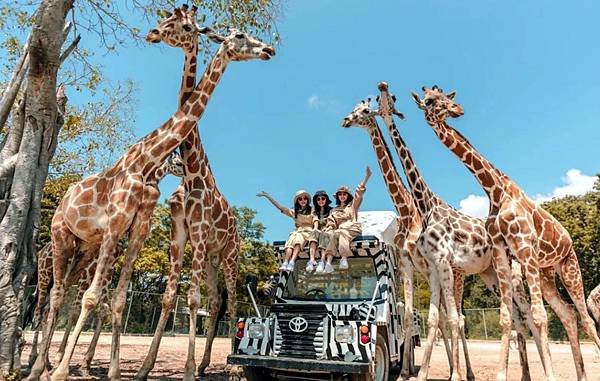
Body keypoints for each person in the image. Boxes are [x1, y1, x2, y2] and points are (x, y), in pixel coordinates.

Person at [321, 166, 372, 273]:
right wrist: (328, 231)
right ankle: (329, 263)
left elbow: (359, 193)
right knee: (334, 234)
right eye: (340, 194)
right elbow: (331, 224)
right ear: (337, 197)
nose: (342, 196)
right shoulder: (334, 210)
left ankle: (344, 258)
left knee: (342, 231)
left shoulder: (352, 206)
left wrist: (366, 177)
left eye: (344, 194)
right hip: (339, 231)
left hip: (352, 227)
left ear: (348, 196)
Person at [257, 190, 313, 272]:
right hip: (298, 231)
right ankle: (286, 262)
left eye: (305, 198)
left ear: (307, 200)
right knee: (290, 244)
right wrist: (267, 196)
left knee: (298, 242)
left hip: (308, 231)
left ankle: (292, 262)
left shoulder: (313, 211)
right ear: (297, 201)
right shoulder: (295, 212)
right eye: (300, 199)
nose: (303, 200)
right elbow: (280, 207)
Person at [308, 190, 333, 273]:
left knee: (324, 233)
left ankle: (322, 261)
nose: (321, 201)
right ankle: (312, 260)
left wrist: (327, 227)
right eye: (318, 199)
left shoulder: (331, 210)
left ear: (326, 200)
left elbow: (331, 221)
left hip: (328, 230)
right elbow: (313, 221)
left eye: (323, 198)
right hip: (318, 230)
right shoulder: (314, 211)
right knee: (314, 232)